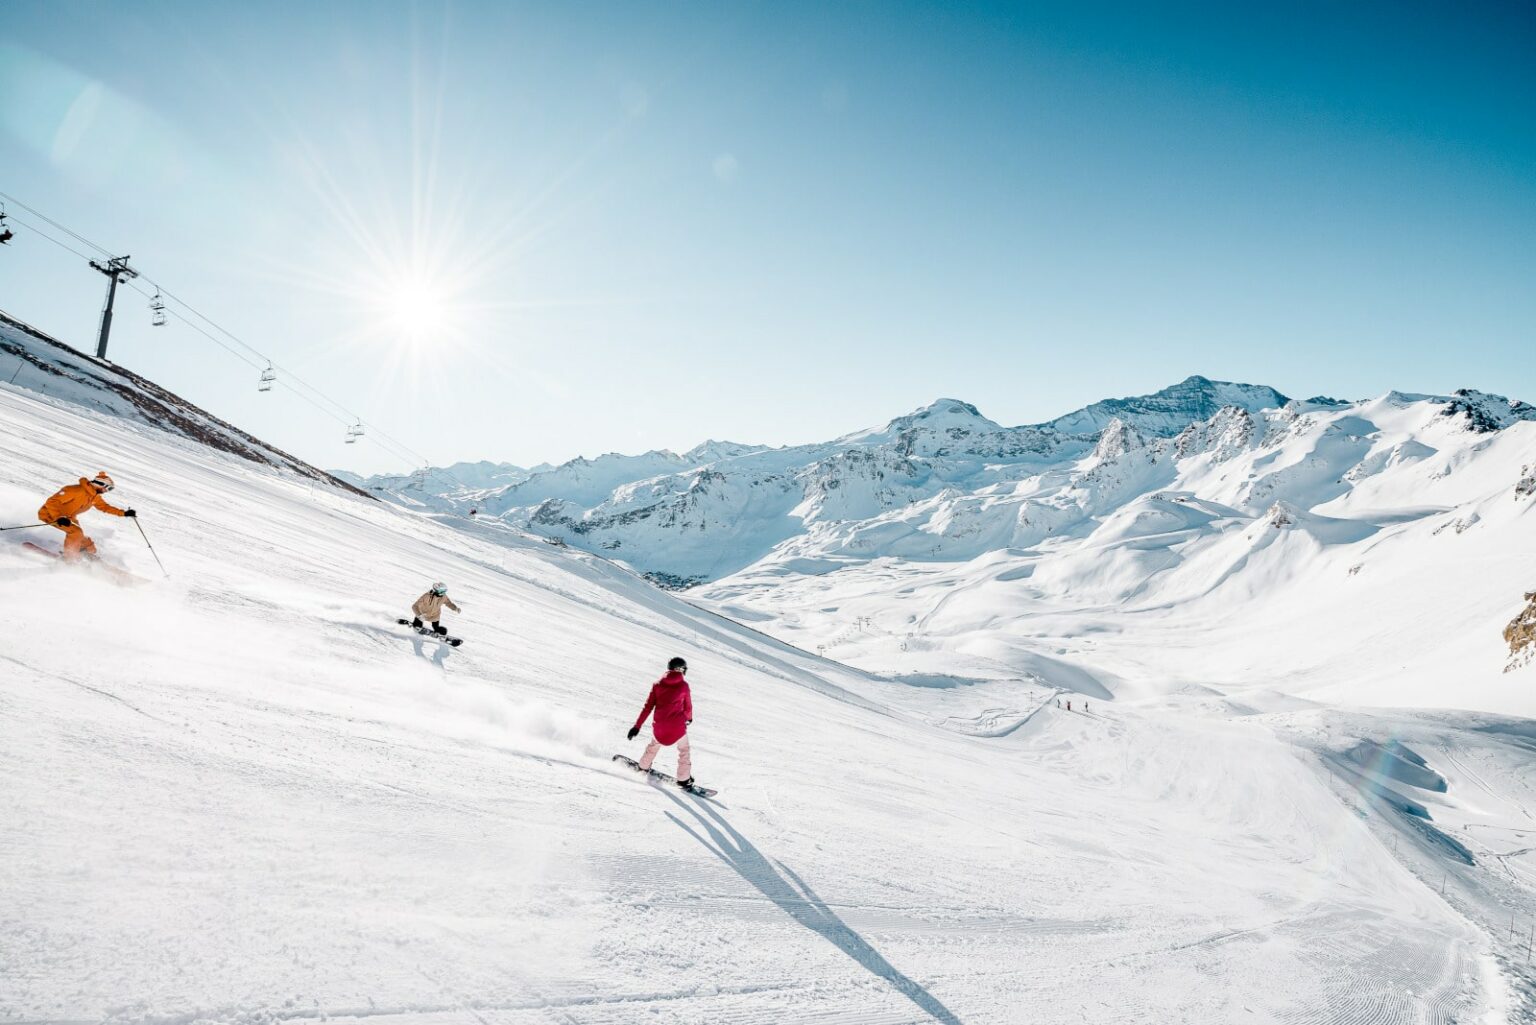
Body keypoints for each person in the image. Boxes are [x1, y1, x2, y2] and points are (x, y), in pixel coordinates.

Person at [627, 656, 695, 788]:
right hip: (677, 727)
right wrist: (689, 718)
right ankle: (683, 779)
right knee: (684, 750)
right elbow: (688, 707)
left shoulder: (657, 684)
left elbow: (647, 708)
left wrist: (637, 726)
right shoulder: (684, 686)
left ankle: (643, 767)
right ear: (679, 669)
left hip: (659, 726)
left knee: (653, 745)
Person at [37, 471, 134, 561]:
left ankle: (86, 553)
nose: (107, 491)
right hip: (51, 514)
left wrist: (124, 513)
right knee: (76, 532)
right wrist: (58, 517)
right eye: (108, 488)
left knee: (86, 543)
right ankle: (69, 558)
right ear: (99, 484)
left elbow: (104, 507)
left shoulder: (94, 496)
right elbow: (52, 501)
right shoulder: (76, 490)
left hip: (69, 518)